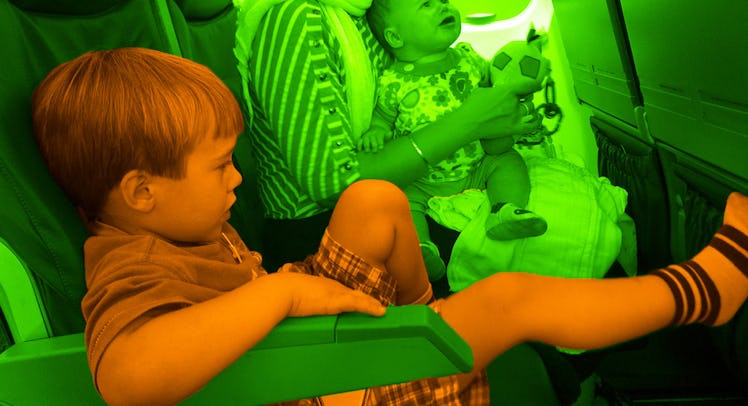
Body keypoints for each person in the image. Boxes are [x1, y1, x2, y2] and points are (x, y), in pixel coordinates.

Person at [32, 47, 748, 406]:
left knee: (375, 198)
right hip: (305, 388)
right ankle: (703, 293)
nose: (237, 179)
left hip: (295, 349)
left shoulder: (172, 226)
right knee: (509, 300)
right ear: (141, 191)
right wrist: (280, 296)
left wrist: (285, 291)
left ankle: (420, 335)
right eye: (221, 166)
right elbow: (128, 379)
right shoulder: (126, 264)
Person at [235, 0, 545, 273]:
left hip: (406, 182)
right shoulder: (297, 22)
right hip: (324, 231)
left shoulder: (363, 13)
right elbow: (332, 184)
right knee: (542, 249)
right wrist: (471, 121)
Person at [361, 0, 547, 279]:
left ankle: (504, 210)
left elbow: (495, 94)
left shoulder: (468, 58)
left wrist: (518, 112)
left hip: (477, 164)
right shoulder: (393, 81)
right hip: (423, 178)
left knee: (508, 161)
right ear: (396, 37)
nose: (442, 7)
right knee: (402, 199)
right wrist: (376, 131)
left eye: (444, 2)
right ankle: (422, 249)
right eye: (427, 5)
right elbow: (383, 118)